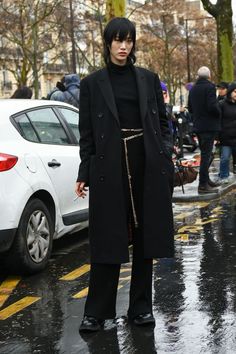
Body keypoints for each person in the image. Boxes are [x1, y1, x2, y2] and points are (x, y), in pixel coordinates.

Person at [75, 17, 174, 333]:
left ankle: (141, 308)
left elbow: (162, 121)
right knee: (107, 238)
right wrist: (84, 171)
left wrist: (165, 150)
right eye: (117, 40)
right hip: (109, 166)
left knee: (146, 238)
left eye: (128, 40)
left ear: (133, 44)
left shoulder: (148, 79)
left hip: (146, 163)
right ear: (107, 43)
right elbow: (86, 133)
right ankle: (97, 313)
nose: (123, 46)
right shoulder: (92, 84)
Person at [188, 66, 221, 194]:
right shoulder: (210, 87)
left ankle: (206, 181)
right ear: (209, 76)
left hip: (198, 125)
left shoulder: (193, 89)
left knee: (205, 154)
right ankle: (203, 185)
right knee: (206, 156)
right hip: (209, 126)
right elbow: (212, 106)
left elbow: (190, 108)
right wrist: (219, 112)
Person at [218, 82, 236, 182]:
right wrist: (218, 137)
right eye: (235, 92)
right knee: (225, 159)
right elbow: (218, 121)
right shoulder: (222, 104)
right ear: (230, 92)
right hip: (226, 137)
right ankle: (224, 177)